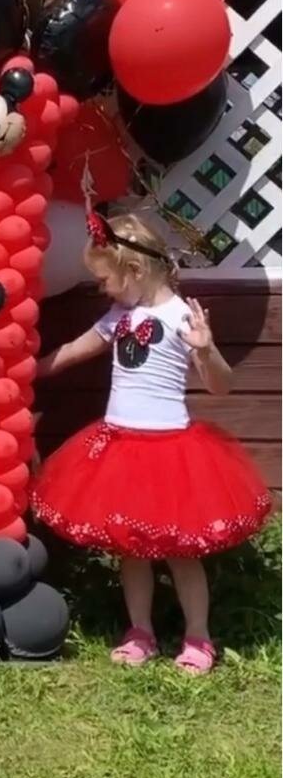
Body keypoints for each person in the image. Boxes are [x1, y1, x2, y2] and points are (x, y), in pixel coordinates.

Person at [31, 211, 272, 673]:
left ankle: (199, 637)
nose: (102, 289)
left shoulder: (181, 316)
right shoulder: (120, 315)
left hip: (170, 451)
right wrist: (30, 370)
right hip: (120, 445)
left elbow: (221, 386)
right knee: (131, 550)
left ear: (135, 270)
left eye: (105, 280)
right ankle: (140, 631)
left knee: (182, 553)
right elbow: (77, 349)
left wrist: (206, 349)